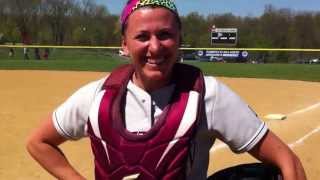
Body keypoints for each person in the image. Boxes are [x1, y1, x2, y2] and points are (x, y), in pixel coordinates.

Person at [26, 0, 306, 179]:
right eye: (142, 37)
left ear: (180, 39)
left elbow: (287, 162)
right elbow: (38, 143)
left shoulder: (208, 96)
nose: (155, 47)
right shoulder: (97, 97)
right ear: (124, 44)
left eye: (165, 35)